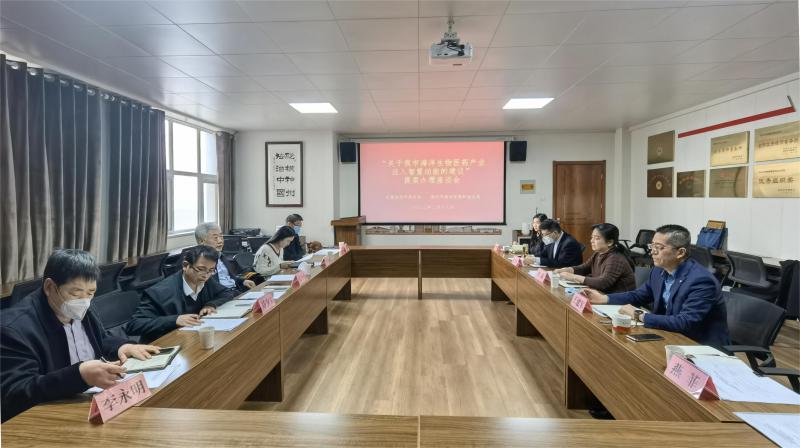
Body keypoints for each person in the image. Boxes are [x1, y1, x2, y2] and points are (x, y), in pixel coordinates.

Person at [1, 249, 160, 422]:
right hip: (46, 417)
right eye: (75, 293)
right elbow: (16, 394)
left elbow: (100, 339)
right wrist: (79, 376)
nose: (84, 301)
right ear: (49, 287)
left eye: (91, 293)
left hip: (90, 402)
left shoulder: (81, 306)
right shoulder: (13, 329)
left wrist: (122, 346)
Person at [583, 224, 729, 347]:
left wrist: (638, 315)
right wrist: (604, 299)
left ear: (680, 252)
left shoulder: (701, 280)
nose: (652, 251)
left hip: (698, 345)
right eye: (652, 245)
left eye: (659, 247)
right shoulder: (658, 271)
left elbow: (685, 322)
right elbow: (639, 295)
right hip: (668, 335)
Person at [126, 245, 235, 343]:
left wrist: (210, 305)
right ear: (185, 265)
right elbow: (134, 324)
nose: (206, 275)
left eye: (211, 270)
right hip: (163, 344)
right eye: (201, 269)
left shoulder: (205, 280)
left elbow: (226, 292)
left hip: (191, 339)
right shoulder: (159, 292)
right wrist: (175, 320)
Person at [554, 223, 636, 294]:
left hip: (619, 301)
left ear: (610, 242)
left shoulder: (616, 258)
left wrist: (573, 277)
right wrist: (567, 269)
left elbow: (603, 283)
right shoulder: (598, 254)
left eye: (597, 238)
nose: (592, 241)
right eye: (592, 237)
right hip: (603, 295)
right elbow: (584, 268)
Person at [194, 222, 256, 292]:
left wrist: (243, 282)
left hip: (234, 291)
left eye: (221, 236)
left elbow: (229, 278)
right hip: (223, 295)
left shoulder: (221, 256)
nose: (220, 241)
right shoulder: (200, 264)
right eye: (215, 238)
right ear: (202, 241)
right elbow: (211, 290)